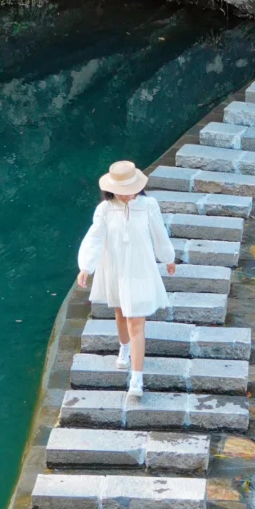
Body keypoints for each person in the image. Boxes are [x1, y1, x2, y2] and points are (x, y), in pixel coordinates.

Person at [76, 160, 176, 397]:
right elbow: (95, 237)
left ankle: (137, 379)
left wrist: (168, 258)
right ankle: (123, 348)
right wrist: (86, 267)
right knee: (121, 313)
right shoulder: (105, 209)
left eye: (127, 190)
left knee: (136, 322)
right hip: (115, 269)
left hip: (140, 269)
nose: (123, 195)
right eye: (118, 191)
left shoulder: (149, 205)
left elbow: (159, 233)